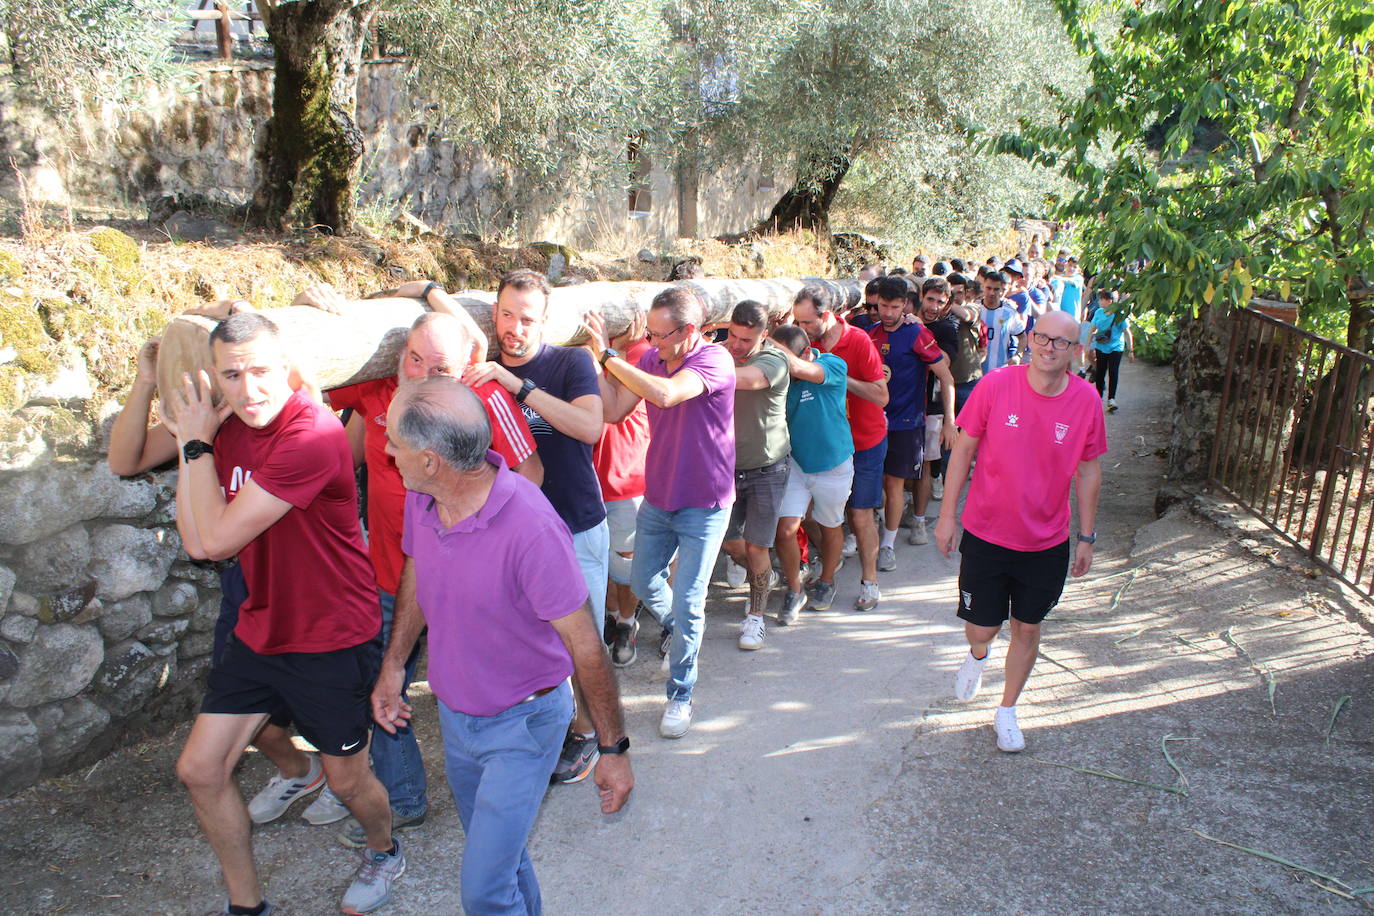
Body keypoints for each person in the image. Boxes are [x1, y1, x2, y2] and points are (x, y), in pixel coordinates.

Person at [169, 312, 402, 916]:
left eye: (262, 371)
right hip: (261, 624)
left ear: (288, 368)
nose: (250, 390)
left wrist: (194, 443)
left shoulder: (312, 434)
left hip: (330, 635)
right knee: (200, 769)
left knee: (349, 780)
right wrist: (187, 435)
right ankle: (246, 906)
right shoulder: (228, 428)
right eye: (233, 375)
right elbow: (196, 541)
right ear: (216, 378)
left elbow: (214, 543)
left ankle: (384, 847)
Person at [373, 377, 633, 915]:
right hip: (455, 718)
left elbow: (587, 647)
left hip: (524, 726)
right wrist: (393, 666)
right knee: (505, 862)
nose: (385, 449)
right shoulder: (425, 499)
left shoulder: (531, 527)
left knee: (485, 891)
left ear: (430, 460)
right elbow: (417, 573)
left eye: (394, 441)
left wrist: (612, 750)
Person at [325, 308, 541, 840]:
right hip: (391, 579)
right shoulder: (379, 391)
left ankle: (517, 770)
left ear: (465, 365)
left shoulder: (485, 400)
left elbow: (531, 477)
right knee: (382, 683)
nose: (422, 374)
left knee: (480, 688)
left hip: (468, 585)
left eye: (438, 366)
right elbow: (315, 393)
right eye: (414, 359)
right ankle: (402, 798)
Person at [934, 310, 1106, 753]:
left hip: (1046, 541)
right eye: (1042, 338)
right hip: (987, 533)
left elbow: (1088, 472)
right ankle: (977, 656)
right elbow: (963, 451)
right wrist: (947, 515)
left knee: (1027, 629)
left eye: (1061, 342)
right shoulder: (996, 385)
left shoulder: (1086, 400)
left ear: (1076, 349)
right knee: (982, 629)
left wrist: (1086, 536)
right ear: (1029, 339)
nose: (1050, 348)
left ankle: (1007, 710)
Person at [463, 268, 610, 786]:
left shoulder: (569, 362)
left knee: (582, 638)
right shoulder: (478, 370)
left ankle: (591, 732)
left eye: (526, 318)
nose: (514, 328)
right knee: (530, 639)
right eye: (506, 314)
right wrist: (423, 290)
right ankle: (551, 722)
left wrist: (517, 385)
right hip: (510, 535)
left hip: (574, 521)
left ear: (543, 321)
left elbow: (590, 426)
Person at [587, 286, 735, 738]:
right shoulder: (651, 359)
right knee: (642, 581)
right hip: (659, 497)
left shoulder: (714, 361)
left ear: (689, 331)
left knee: (689, 601)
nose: (652, 343)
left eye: (660, 335)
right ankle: (685, 629)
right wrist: (593, 363)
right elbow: (612, 410)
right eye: (648, 333)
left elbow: (669, 395)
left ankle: (680, 694)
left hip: (704, 504)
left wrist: (610, 357)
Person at [791, 285, 889, 610]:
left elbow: (881, 395)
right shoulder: (806, 345)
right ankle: (830, 564)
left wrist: (835, 377)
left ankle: (870, 581)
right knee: (811, 517)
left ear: (827, 315)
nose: (802, 330)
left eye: (807, 323)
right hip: (825, 447)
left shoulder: (858, 340)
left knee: (861, 515)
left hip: (865, 440)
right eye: (797, 323)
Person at [869, 276, 956, 569]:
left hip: (907, 424)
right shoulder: (869, 334)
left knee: (894, 484)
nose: (889, 313)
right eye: (883, 306)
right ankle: (878, 526)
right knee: (875, 483)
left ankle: (887, 545)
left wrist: (949, 421)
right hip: (872, 424)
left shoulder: (917, 333)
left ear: (906, 304)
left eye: (895, 307)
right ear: (876, 303)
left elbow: (946, 378)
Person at [768, 324, 854, 615]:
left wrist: (765, 341)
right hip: (797, 464)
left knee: (830, 527)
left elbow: (802, 369)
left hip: (834, 465)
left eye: (783, 359)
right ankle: (794, 590)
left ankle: (827, 580)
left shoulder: (831, 363)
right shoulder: (781, 375)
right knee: (784, 530)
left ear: (806, 352)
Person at [719, 300, 791, 645]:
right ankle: (764, 577)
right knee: (731, 543)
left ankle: (755, 617)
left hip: (767, 469)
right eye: (731, 335)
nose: (735, 345)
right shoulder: (719, 355)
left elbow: (750, 380)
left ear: (764, 336)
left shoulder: (774, 360)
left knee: (756, 548)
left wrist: (697, 364)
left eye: (746, 340)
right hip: (725, 469)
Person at [587, 312, 653, 667]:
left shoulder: (642, 352)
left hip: (627, 473)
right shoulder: (574, 351)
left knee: (625, 563)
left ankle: (627, 622)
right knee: (599, 560)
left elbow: (614, 410)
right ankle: (612, 613)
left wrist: (597, 352)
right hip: (586, 478)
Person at [1090, 291, 1134, 411]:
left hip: (1116, 347)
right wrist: (1087, 346)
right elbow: (1092, 329)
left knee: (1113, 372)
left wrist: (1131, 350)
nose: (1099, 302)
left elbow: (1127, 332)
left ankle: (1111, 399)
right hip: (1101, 347)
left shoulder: (1119, 314)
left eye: (1101, 299)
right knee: (1100, 372)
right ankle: (1098, 398)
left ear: (1108, 301)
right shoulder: (1098, 313)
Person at [978, 268, 1026, 374]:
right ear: (983, 287)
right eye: (988, 288)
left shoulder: (1009, 312)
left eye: (996, 289)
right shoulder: (974, 308)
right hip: (975, 371)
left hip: (999, 370)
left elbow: (1022, 337)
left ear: (1002, 290)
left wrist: (1018, 355)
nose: (991, 293)